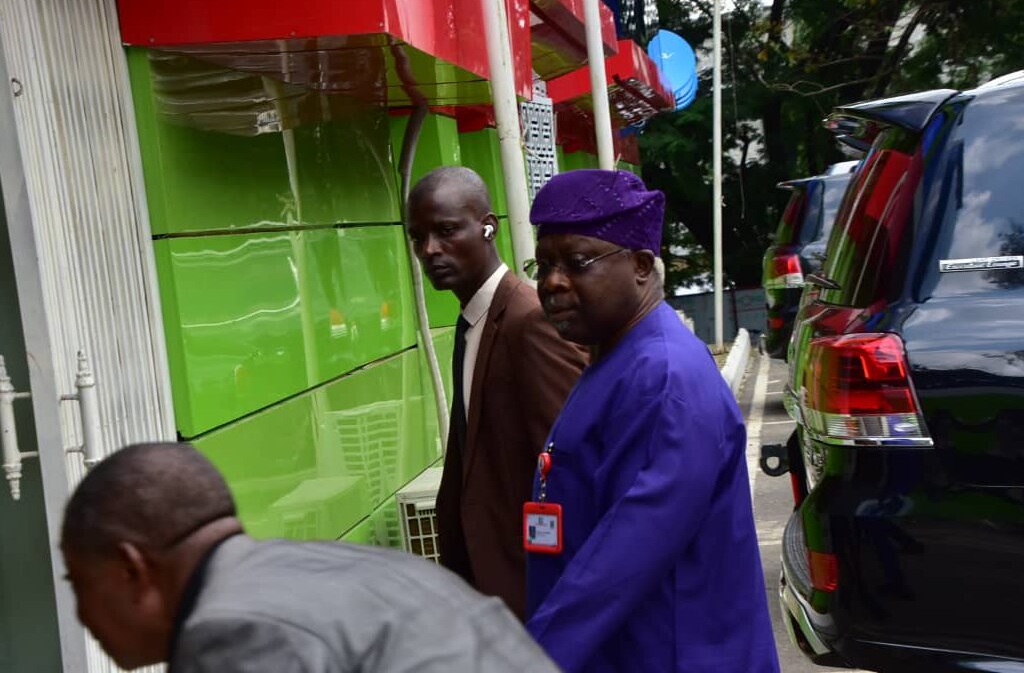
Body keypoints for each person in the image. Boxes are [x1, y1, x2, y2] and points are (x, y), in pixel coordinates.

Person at [523, 169, 780, 672]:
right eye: (545, 262)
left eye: (577, 262)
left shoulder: (663, 377)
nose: (553, 281)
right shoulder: (617, 356)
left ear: (641, 266)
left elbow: (621, 561)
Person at [60, 443, 559, 672]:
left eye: (78, 585)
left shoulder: (229, 633)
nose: (81, 616)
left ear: (131, 569)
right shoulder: (332, 568)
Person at [406, 166, 586, 619]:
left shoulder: (529, 321)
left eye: (446, 231)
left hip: (533, 588)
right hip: (488, 588)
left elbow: (573, 466)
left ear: (488, 227)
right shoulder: (472, 322)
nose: (430, 250)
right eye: (418, 237)